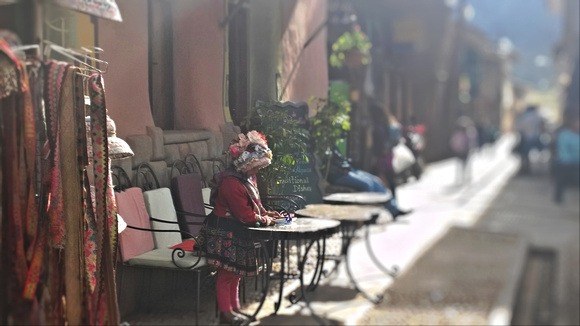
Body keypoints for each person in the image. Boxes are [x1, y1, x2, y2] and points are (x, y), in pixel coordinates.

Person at [205, 130, 281, 325]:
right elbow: (245, 215)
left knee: (236, 273)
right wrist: (266, 221)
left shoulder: (247, 178)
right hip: (225, 232)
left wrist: (266, 213)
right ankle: (226, 313)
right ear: (246, 162)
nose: (257, 172)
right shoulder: (231, 183)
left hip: (238, 231)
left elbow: (255, 202)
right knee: (227, 273)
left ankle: (234, 309)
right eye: (255, 167)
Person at [326, 147, 411, 220]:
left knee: (376, 180)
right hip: (338, 175)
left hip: (348, 170)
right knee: (367, 184)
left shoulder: (332, 145)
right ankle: (369, 215)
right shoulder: (324, 146)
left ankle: (393, 209)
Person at [552, 112, 580, 203]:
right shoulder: (564, 135)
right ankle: (558, 198)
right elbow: (563, 150)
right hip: (565, 162)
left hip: (575, 163)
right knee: (561, 181)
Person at [514, 105, 546, 174]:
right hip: (537, 138)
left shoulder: (523, 117)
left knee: (525, 156)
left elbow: (519, 129)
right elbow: (543, 127)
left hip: (526, 139)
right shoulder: (538, 116)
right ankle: (541, 169)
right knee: (542, 154)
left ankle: (526, 169)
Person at [449, 115, 478, 184]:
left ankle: (464, 176)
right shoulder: (463, 133)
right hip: (463, 151)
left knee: (463, 164)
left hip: (464, 151)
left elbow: (453, 142)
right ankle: (463, 176)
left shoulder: (467, 133)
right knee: (463, 164)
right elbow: (454, 142)